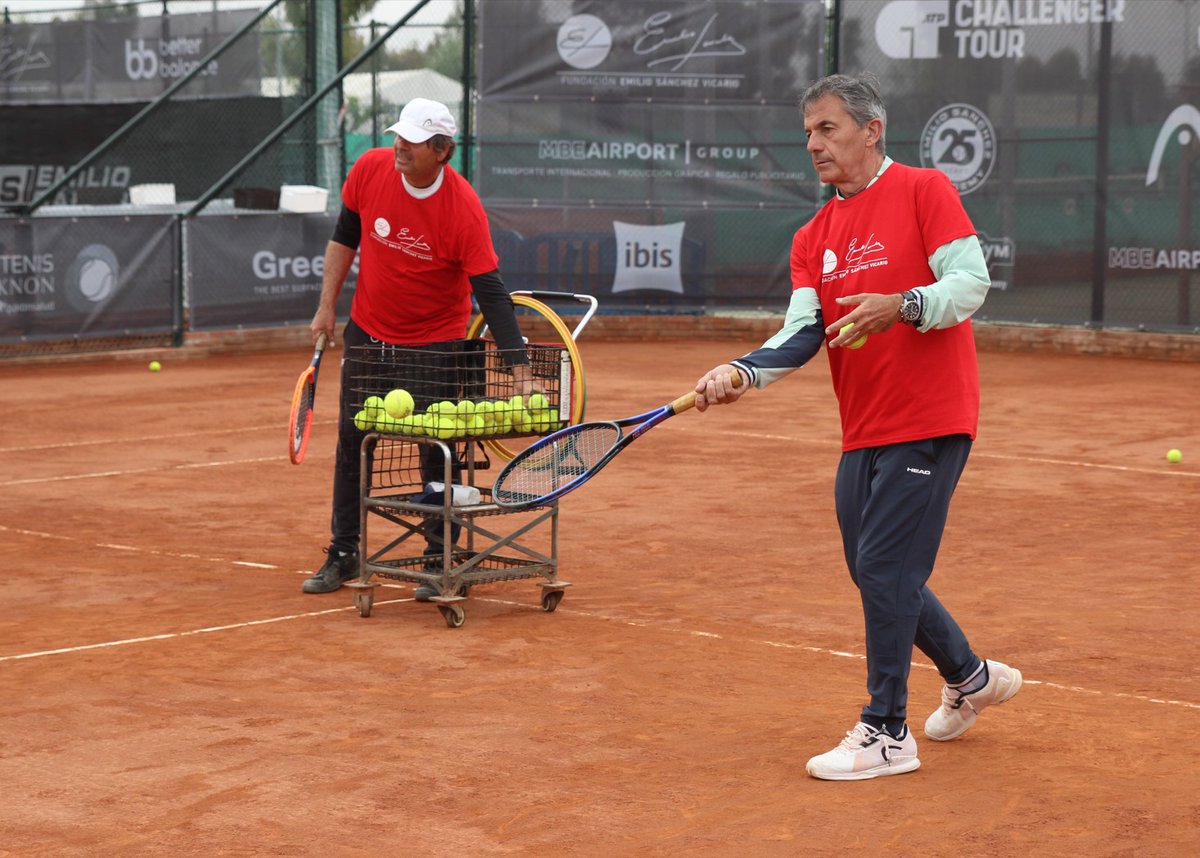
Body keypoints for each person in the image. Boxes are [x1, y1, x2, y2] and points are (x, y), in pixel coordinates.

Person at [693, 74, 1021, 781]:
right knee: (876, 573)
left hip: (932, 418)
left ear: (871, 130)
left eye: (828, 128)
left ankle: (886, 730)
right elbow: (803, 330)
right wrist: (741, 373)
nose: (813, 144)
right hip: (864, 429)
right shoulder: (813, 236)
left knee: (883, 568)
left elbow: (970, 283)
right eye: (808, 131)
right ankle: (969, 677)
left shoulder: (924, 190)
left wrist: (900, 304)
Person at [301, 97, 532, 600]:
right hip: (369, 333)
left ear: (442, 150)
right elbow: (345, 237)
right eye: (398, 135)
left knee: (437, 451)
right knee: (352, 444)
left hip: (437, 342)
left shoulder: (464, 208)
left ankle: (437, 555)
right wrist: (326, 308)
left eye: (412, 140)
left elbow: (490, 291)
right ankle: (344, 551)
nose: (399, 145)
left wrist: (518, 365)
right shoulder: (370, 169)